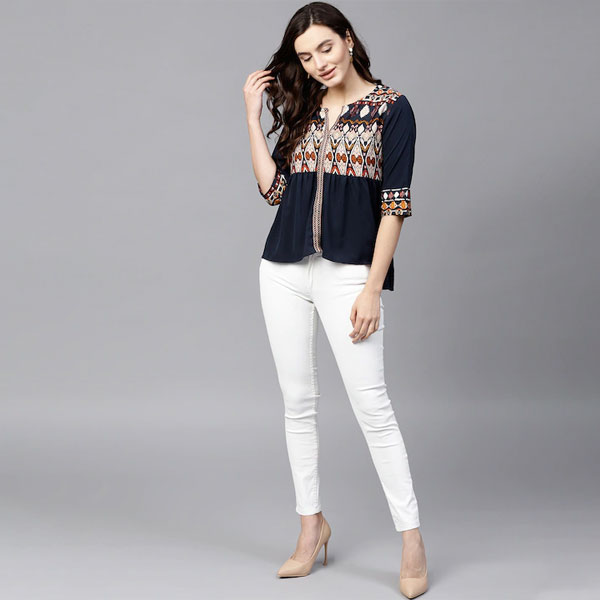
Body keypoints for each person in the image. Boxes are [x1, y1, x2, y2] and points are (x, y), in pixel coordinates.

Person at [244, 3, 428, 597]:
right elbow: (274, 191)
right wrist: (252, 118)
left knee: (373, 407)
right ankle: (310, 528)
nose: (318, 63)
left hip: (350, 274)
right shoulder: (303, 108)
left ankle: (411, 538)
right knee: (298, 403)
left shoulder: (392, 110)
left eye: (325, 47)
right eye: (305, 56)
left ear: (347, 40)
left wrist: (373, 287)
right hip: (283, 271)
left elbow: (395, 205)